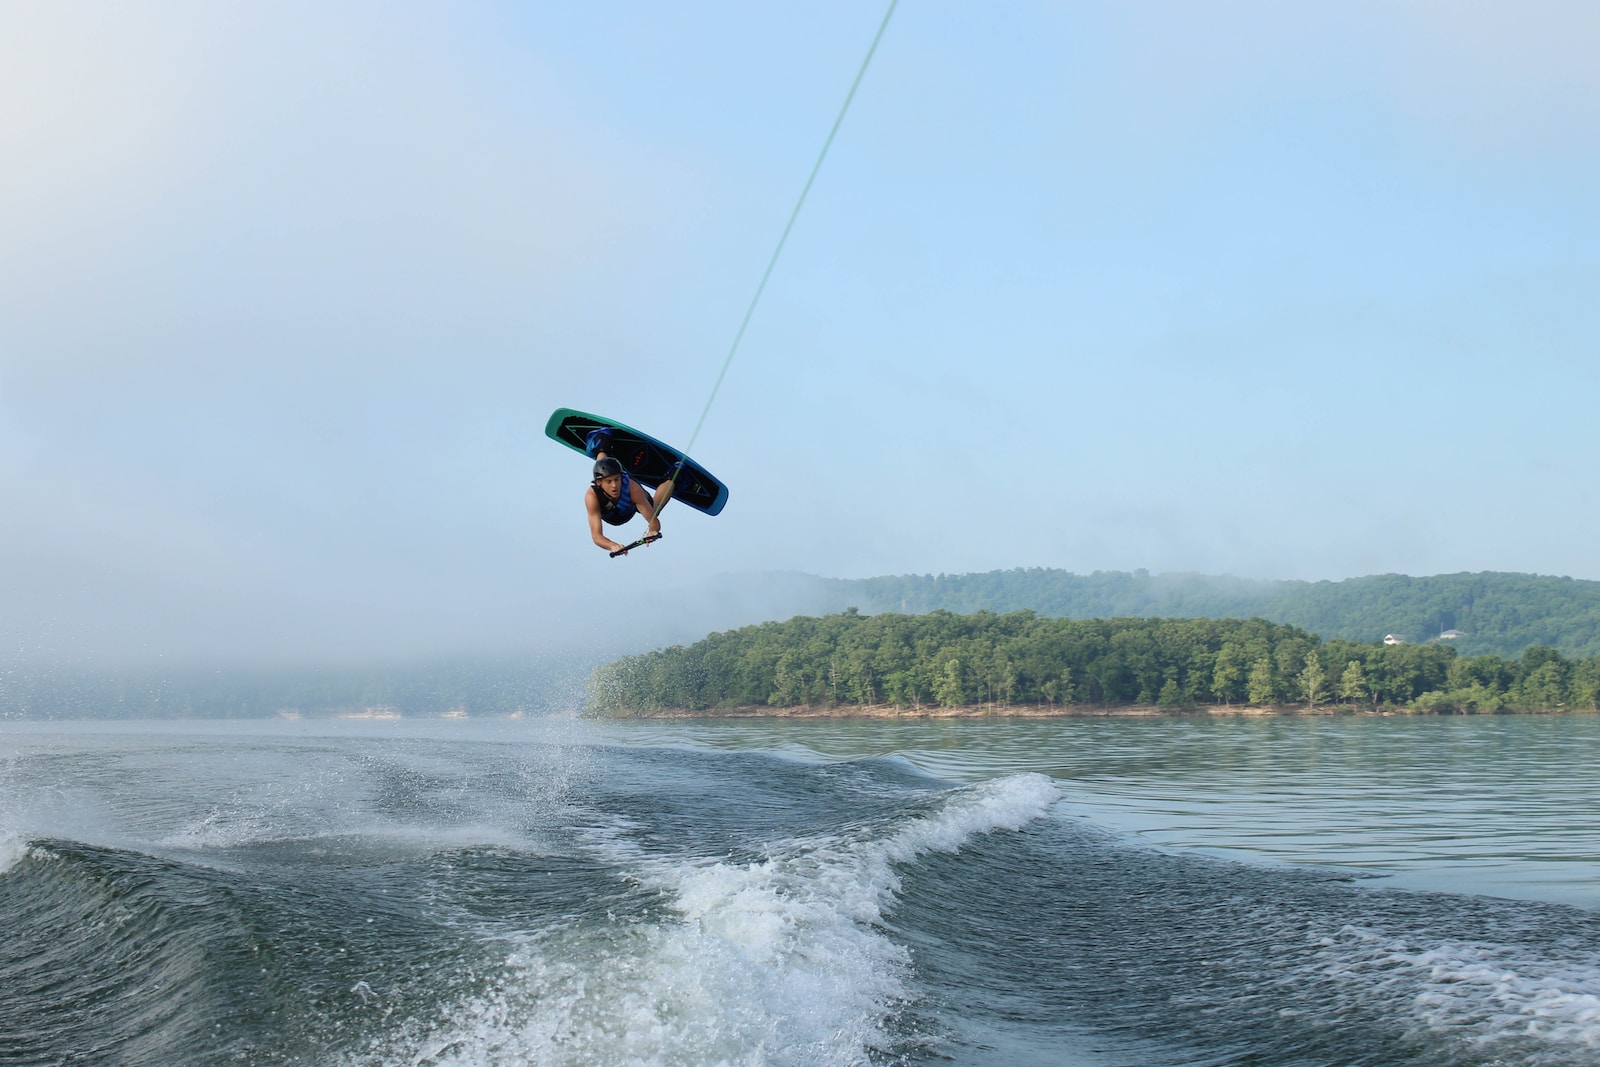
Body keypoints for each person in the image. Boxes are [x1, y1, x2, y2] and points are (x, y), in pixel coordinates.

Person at [584, 428, 676, 555]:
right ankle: (601, 439)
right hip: (613, 514)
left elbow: (654, 522)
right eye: (609, 482)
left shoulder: (632, 488)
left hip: (629, 507)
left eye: (617, 480)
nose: (614, 485)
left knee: (654, 509)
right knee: (601, 468)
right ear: (599, 483)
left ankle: (674, 476)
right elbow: (596, 536)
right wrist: (613, 546)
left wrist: (652, 531)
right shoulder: (591, 496)